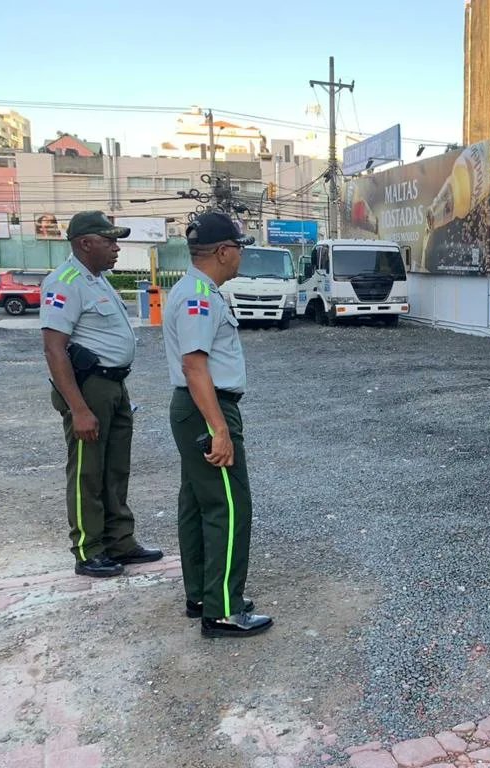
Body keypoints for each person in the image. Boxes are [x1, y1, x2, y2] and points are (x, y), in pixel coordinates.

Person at [163, 211, 273, 638]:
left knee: (197, 502)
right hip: (207, 407)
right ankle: (224, 608)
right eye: (239, 248)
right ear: (224, 252)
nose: (241, 256)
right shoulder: (199, 296)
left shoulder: (195, 289)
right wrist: (220, 429)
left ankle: (202, 596)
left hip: (196, 406)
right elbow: (194, 365)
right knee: (228, 507)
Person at [40, 210, 163, 577]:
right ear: (84, 243)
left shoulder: (97, 280)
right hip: (88, 388)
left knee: (114, 468)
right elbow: (54, 349)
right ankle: (88, 550)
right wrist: (78, 408)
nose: (116, 248)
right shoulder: (65, 282)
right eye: (109, 241)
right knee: (88, 472)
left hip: (113, 386)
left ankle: (119, 541)